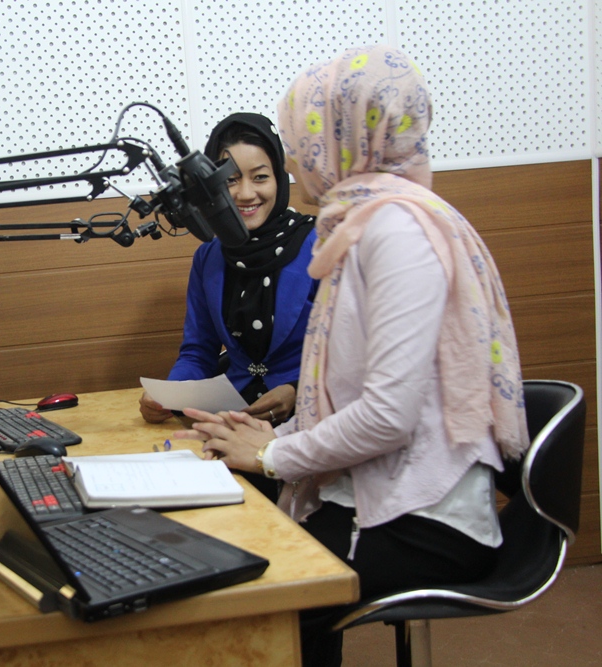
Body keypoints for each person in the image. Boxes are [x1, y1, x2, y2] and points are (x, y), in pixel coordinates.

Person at [173, 45, 529, 666]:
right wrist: (273, 436)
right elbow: (352, 395)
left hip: (424, 517)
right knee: (229, 560)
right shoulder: (363, 222)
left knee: (248, 596)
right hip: (380, 493)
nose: (294, 160)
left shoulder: (397, 232)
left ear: (342, 139)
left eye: (298, 144)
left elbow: (388, 416)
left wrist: (273, 453)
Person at [140, 112, 317, 426]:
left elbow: (349, 356)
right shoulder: (208, 256)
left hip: (310, 420)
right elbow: (198, 352)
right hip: (232, 419)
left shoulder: (320, 245)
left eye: (260, 177)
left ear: (279, 177)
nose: (245, 194)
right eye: (230, 180)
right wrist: (168, 394)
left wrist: (297, 389)